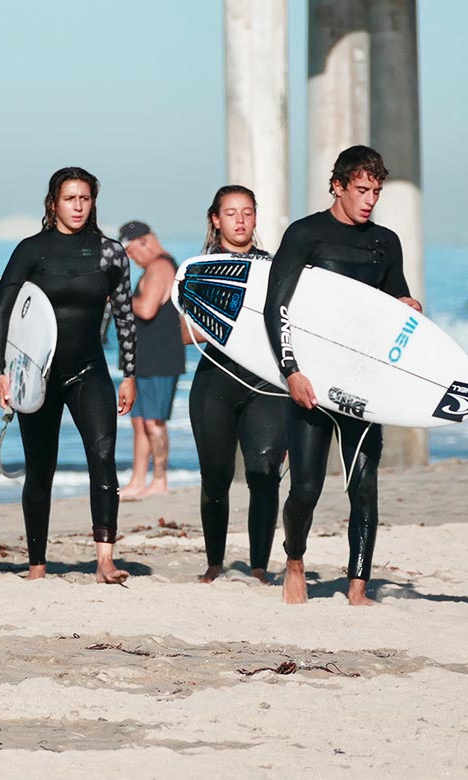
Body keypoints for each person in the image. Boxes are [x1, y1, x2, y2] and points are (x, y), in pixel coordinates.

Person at [263, 145, 422, 606]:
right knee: (307, 488)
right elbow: (277, 307)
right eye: (361, 189)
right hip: (310, 379)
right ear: (338, 186)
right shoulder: (305, 234)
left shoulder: (385, 242)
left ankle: (358, 587)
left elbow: (396, 304)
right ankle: (295, 561)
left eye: (376, 191)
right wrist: (291, 372)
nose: (370, 199)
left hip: (363, 382)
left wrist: (409, 310)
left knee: (364, 485)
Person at [0, 166, 137, 583]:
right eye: (69, 198)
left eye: (85, 198)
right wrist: (0, 370)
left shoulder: (110, 252)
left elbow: (125, 315)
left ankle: (105, 560)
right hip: (37, 377)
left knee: (104, 459)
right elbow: (4, 307)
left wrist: (130, 373)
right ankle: (37, 565)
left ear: (93, 203)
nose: (77, 206)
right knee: (41, 468)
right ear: (53, 202)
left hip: (90, 369)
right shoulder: (31, 250)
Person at [186, 185, 286, 584]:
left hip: (265, 383)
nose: (240, 220)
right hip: (216, 381)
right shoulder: (199, 268)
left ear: (255, 218)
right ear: (216, 219)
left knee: (264, 472)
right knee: (216, 476)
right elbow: (184, 332)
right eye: (231, 213)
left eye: (247, 212)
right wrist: (227, 317)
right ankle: (215, 561)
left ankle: (259, 565)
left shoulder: (274, 267)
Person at [116, 220, 183, 502]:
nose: (131, 258)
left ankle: (160, 480)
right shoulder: (150, 269)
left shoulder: (160, 266)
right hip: (143, 359)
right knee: (139, 421)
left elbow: (146, 308)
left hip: (161, 358)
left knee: (154, 423)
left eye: (131, 252)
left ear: (145, 241)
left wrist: (116, 297)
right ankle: (137, 480)